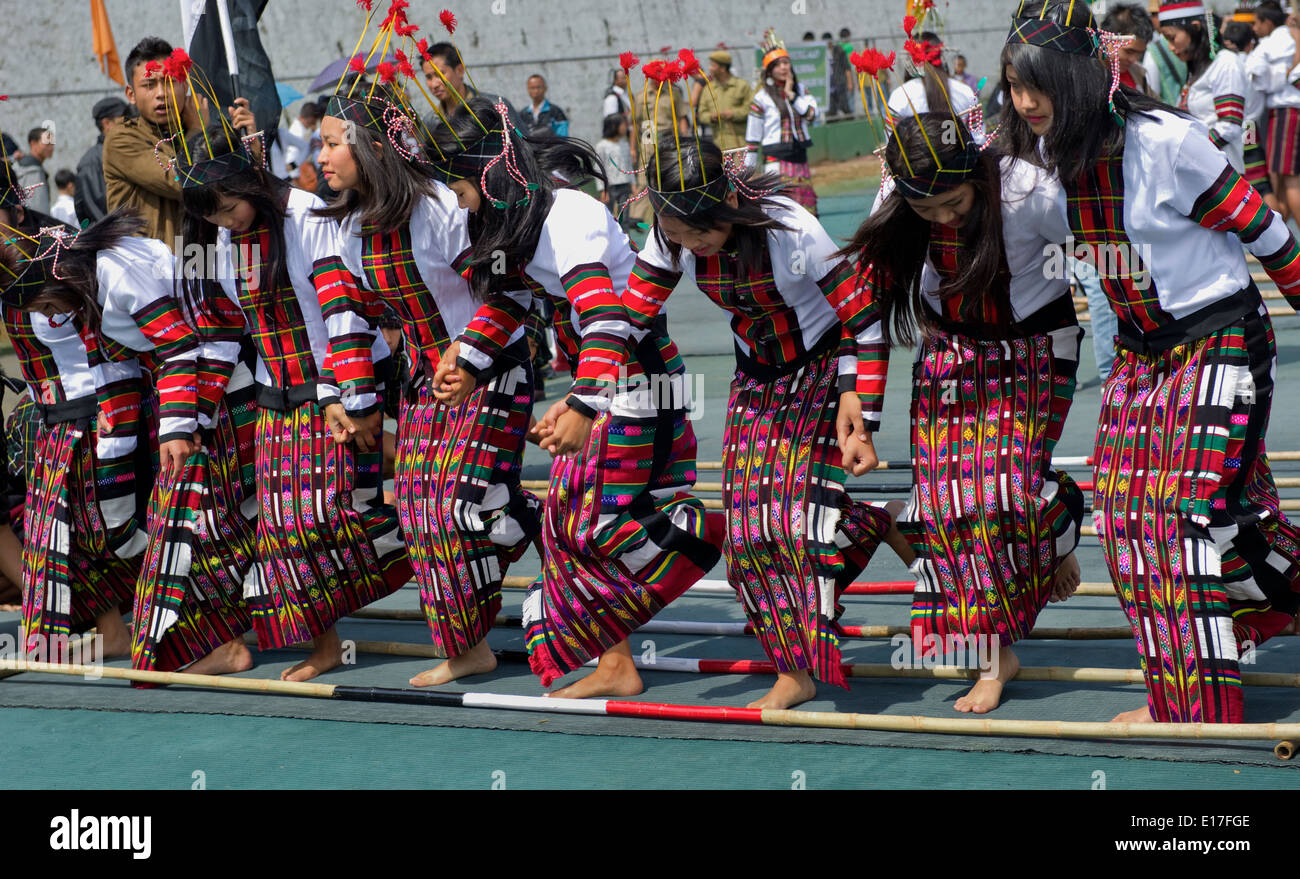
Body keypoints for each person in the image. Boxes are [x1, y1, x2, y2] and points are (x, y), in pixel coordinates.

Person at [1003, 0, 1300, 724]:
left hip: (1218, 337)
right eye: (1013, 84)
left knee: (1173, 518)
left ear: (1079, 75)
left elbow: (1267, 232)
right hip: (1142, 353)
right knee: (1130, 514)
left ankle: (1193, 701)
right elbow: (954, 148)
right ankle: (1282, 597)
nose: (1024, 101)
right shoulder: (1044, 146)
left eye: (1037, 83)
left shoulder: (1169, 141)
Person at [430, 96, 724, 699]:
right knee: (570, 517)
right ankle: (616, 658)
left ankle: (703, 536)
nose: (457, 203)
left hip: (634, 377)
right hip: (602, 382)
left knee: (593, 517)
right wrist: (469, 357)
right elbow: (511, 300)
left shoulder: (569, 215)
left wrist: (585, 406)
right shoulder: (517, 220)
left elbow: (607, 320)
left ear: (489, 174)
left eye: (459, 188)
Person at [625, 134, 901, 710]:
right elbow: (629, 315)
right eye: (675, 236)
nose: (685, 247)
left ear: (726, 208)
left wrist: (862, 409)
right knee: (749, 530)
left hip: (824, 368)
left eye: (695, 234)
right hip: (756, 377)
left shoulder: (790, 231)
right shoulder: (673, 230)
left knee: (794, 522)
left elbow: (865, 320)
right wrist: (583, 393)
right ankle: (869, 529)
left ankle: (797, 668)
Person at [844, 112, 1084, 714]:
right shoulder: (898, 198)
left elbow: (1107, 243)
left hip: (1033, 345)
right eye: (928, 212)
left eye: (953, 203)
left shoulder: (1029, 191)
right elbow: (869, 307)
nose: (943, 219)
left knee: (1004, 491)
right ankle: (993, 654)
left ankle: (1057, 519)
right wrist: (863, 415)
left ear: (975, 175)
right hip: (949, 350)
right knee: (946, 506)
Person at [318, 84, 541, 687]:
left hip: (490, 372)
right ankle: (479, 623)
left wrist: (467, 359)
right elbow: (344, 315)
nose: (322, 157)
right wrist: (351, 398)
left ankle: (530, 532)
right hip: (424, 382)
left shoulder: (444, 207)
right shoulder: (348, 227)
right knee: (418, 514)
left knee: (449, 506)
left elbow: (511, 290)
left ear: (370, 149)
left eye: (333, 144)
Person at [176, 124, 411, 681]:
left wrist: (344, 395)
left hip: (330, 382)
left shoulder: (307, 215)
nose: (224, 224)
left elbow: (341, 313)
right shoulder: (229, 239)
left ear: (250, 188)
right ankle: (325, 645)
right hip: (274, 396)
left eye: (229, 209)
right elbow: (238, 327)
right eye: (213, 219)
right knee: (285, 528)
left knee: (331, 513)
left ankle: (436, 544)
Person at [5, 209, 257, 676]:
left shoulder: (115, 274)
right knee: (151, 520)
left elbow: (182, 345)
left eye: (44, 307)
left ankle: (228, 645)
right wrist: (113, 456)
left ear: (55, 282)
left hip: (217, 381)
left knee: (199, 521)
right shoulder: (82, 289)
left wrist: (181, 425)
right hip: (177, 390)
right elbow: (114, 370)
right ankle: (209, 640)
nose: (49, 318)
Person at [0, 184, 139, 662]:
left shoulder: (61, 255)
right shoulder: (9, 266)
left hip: (93, 410)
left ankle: (196, 625)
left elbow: (115, 335)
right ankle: (114, 630)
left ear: (15, 207)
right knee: (69, 535)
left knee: (106, 530)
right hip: (52, 416)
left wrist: (114, 413)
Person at [1159, 4, 1245, 172]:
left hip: (1221, 174)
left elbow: (1229, 125)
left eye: (1172, 38)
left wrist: (1190, 151)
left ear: (1195, 28)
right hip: (1201, 170)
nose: (1170, 47)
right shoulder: (1197, 68)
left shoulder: (1226, 63)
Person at [747, 29, 820, 215]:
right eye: (777, 65)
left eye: (786, 63)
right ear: (769, 70)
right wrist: (748, 171)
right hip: (775, 158)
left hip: (799, 155)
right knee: (783, 207)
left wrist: (792, 96)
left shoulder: (801, 90)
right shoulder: (761, 98)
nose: (783, 68)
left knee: (806, 207)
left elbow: (812, 114)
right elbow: (753, 137)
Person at [1254, 2, 1300, 220]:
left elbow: (1257, 76)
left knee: (1289, 179)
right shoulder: (1289, 37)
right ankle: (1286, 242)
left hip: (1285, 114)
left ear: (1268, 22)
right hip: (1285, 114)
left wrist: (1283, 74)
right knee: (1283, 180)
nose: (1254, 28)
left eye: (1256, 22)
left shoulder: (1274, 41)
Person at [1227, 21, 1276, 207]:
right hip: (1250, 127)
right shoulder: (1254, 63)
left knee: (1246, 184)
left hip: (1234, 129)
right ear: (1250, 44)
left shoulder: (1227, 65)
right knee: (1260, 184)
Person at [420, 41, 515, 133]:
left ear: (459, 70)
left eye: (439, 74)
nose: (434, 84)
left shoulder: (495, 107)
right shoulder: (430, 122)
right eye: (429, 77)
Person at [75, 96, 130, 224]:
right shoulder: (91, 162)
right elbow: (96, 210)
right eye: (124, 120)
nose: (130, 125)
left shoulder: (125, 151)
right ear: (107, 124)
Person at [693, 50, 753, 150]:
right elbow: (701, 113)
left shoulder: (742, 86)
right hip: (717, 145)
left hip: (740, 144)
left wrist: (733, 114)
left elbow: (751, 110)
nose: (709, 68)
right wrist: (711, 117)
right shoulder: (708, 89)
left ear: (722, 68)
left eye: (713, 65)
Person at [1102, 3, 1157, 95]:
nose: (1133, 59)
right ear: (1107, 39)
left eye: (1140, 53)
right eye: (1129, 51)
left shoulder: (1139, 74)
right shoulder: (1088, 75)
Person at [594, 114, 635, 231]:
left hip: (624, 185)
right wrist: (602, 189)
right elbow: (598, 168)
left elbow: (629, 165)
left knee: (625, 215)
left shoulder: (625, 145)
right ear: (613, 126)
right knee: (608, 215)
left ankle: (626, 237)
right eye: (623, 125)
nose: (625, 127)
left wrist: (633, 183)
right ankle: (609, 237)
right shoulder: (602, 146)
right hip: (610, 187)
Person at [1144, 3, 1190, 104]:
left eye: (1154, 14)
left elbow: (1152, 93)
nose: (1152, 18)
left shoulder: (1153, 51)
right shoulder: (1188, 44)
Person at [15, 126, 54, 215]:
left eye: (52, 144)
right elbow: (38, 209)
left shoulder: (24, 166)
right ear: (33, 143)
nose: (51, 148)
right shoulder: (32, 170)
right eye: (47, 143)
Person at [825, 32, 853, 116]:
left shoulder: (839, 50)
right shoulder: (823, 52)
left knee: (844, 105)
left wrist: (850, 82)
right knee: (831, 109)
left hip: (840, 82)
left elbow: (847, 67)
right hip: (829, 85)